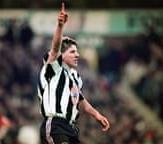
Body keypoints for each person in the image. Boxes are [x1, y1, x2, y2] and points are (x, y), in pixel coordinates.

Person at [37, 3, 110, 144]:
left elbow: (80, 101)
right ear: (61, 55)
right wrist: (60, 26)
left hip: (71, 128)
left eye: (77, 51)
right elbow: (55, 47)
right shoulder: (53, 67)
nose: (77, 55)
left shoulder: (75, 76)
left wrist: (96, 114)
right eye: (72, 52)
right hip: (55, 125)